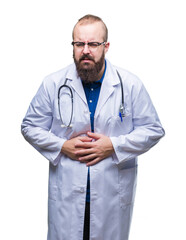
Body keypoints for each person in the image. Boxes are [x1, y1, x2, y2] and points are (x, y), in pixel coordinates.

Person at [21, 14, 165, 240]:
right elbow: (29, 126)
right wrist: (62, 146)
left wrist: (113, 146)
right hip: (67, 193)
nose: (85, 50)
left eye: (93, 44)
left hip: (111, 194)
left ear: (106, 46)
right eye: (79, 44)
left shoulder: (129, 84)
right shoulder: (53, 83)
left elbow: (153, 129)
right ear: (73, 46)